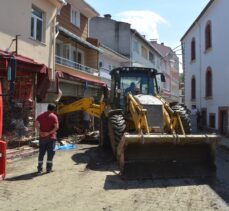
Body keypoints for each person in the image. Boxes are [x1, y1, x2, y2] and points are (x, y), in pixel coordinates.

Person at [35, 104, 59, 174]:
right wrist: (48, 133)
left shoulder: (40, 115)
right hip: (51, 138)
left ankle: (39, 169)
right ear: (53, 109)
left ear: (47, 108)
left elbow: (36, 124)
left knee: (41, 153)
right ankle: (48, 169)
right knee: (50, 154)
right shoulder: (54, 116)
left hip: (42, 138)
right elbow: (56, 127)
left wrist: (40, 132)